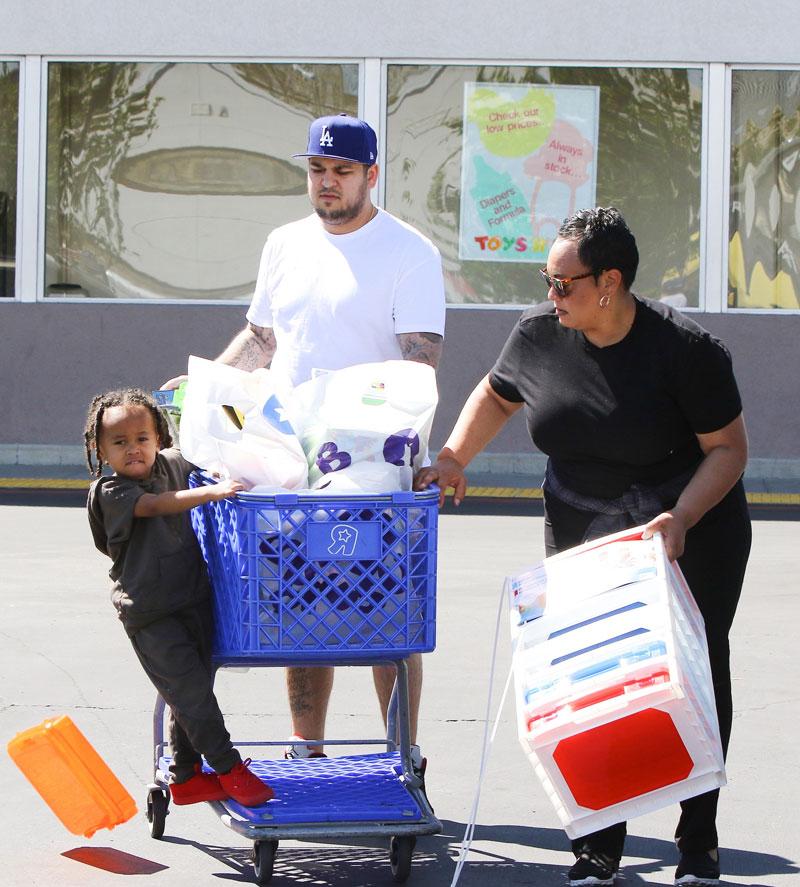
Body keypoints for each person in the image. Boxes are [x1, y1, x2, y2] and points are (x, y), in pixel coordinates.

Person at [415, 207, 750, 887]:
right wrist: (453, 455)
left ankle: (699, 839)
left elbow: (729, 450)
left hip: (687, 528)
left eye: (564, 283)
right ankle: (597, 843)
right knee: (587, 675)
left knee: (694, 671)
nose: (552, 295)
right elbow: (498, 394)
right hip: (580, 518)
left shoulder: (687, 350)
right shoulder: (542, 333)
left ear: (610, 281)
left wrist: (681, 516)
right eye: (547, 280)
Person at [163, 113, 446, 763]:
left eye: (342, 171)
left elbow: (419, 365)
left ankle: (401, 753)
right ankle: (305, 748)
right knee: (301, 608)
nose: (327, 182)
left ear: (371, 176)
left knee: (387, 614)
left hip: (373, 468)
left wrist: (378, 435)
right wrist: (205, 386)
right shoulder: (284, 243)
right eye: (317, 170)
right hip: (289, 465)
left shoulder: (410, 253)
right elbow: (262, 341)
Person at [84, 387, 274, 808]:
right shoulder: (110, 490)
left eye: (142, 438)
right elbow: (156, 505)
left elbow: (212, 449)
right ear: (100, 449)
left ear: (159, 438)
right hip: (149, 612)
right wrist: (213, 492)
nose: (133, 449)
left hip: (193, 599)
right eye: (119, 442)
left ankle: (185, 776)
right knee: (192, 695)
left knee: (191, 693)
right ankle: (229, 767)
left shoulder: (173, 463)